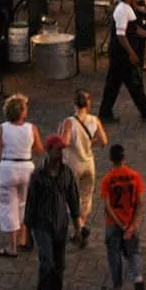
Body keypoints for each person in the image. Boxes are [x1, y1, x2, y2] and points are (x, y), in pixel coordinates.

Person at [25, 135, 82, 290]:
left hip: (60, 226)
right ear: (49, 150)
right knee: (47, 264)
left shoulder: (66, 173)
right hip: (42, 225)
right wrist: (28, 232)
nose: (61, 153)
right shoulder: (38, 175)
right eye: (58, 149)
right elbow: (31, 204)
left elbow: (73, 200)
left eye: (62, 149)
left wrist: (78, 228)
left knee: (59, 268)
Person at [0, 93, 43, 255]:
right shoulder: (32, 128)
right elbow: (40, 150)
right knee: (25, 204)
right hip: (27, 168)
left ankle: (11, 246)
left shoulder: (2, 129)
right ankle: (23, 239)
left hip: (7, 168)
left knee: (8, 206)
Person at [58, 89, 110, 240]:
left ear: (74, 103)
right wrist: (89, 142)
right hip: (89, 163)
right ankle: (80, 228)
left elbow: (65, 142)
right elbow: (104, 141)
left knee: (72, 196)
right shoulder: (94, 120)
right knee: (86, 196)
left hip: (73, 164)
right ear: (88, 103)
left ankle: (79, 227)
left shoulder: (70, 122)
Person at [100, 0, 146, 123]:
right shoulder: (122, 11)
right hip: (121, 54)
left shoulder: (128, 9)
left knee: (119, 83)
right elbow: (121, 35)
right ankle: (145, 111)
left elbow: (134, 29)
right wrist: (131, 53)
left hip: (122, 54)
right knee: (130, 82)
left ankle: (144, 111)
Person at [99, 142, 146, 290]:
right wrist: (132, 225)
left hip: (114, 224)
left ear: (111, 159)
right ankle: (138, 279)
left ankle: (117, 286)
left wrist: (120, 224)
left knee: (114, 255)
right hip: (130, 221)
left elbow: (108, 205)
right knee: (133, 252)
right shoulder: (135, 176)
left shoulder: (107, 179)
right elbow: (140, 202)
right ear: (124, 158)